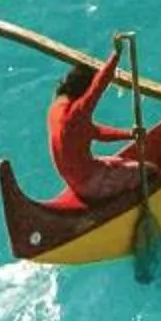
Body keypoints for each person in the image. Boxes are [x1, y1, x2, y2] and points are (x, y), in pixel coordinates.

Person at [44, 53, 144, 207]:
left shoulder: (56, 109)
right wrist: (116, 55)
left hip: (75, 181)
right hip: (90, 184)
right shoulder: (76, 113)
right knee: (149, 171)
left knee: (120, 162)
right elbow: (99, 85)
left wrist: (130, 134)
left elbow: (95, 132)